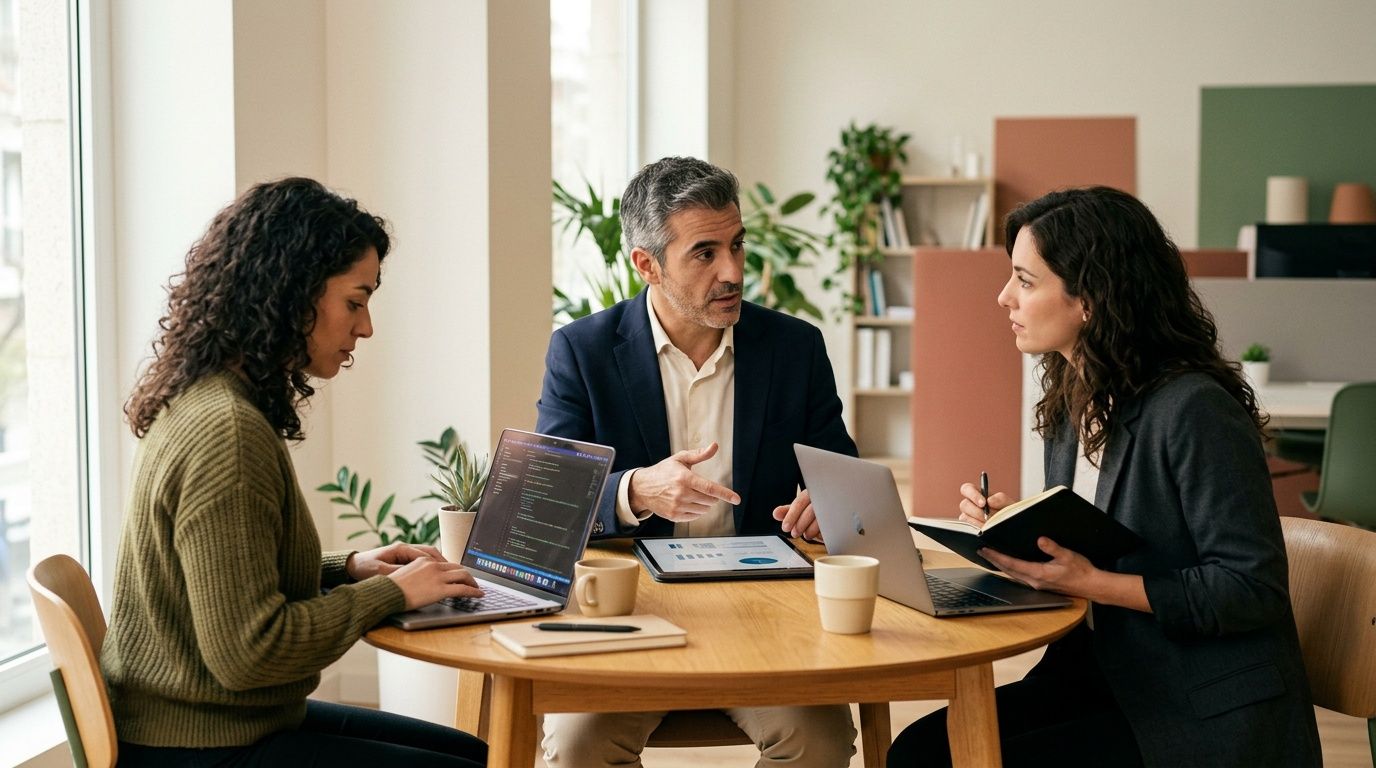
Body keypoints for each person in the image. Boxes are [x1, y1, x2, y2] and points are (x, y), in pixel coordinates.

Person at [886, 187, 1321, 767]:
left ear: (1090, 298)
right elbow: (1109, 539)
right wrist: (1021, 530)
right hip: (1106, 670)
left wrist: (1091, 582)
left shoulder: (1195, 410)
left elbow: (1251, 590)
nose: (1004, 296)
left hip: (1196, 702)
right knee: (918, 751)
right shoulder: (1074, 401)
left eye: (1025, 280)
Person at [102, 178, 489, 767]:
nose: (366, 327)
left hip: (211, 723)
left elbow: (227, 577)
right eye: (355, 302)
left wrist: (350, 569)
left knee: (477, 753)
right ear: (292, 292)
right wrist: (388, 593)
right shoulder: (228, 432)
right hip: (200, 747)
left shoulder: (209, 397)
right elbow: (249, 652)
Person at [536, 156, 858, 766]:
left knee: (818, 741)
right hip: (631, 616)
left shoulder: (795, 348)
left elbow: (841, 474)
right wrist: (635, 491)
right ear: (647, 264)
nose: (732, 271)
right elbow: (551, 498)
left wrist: (827, 503)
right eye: (704, 253)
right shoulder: (580, 351)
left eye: (737, 245)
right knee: (578, 745)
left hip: (766, 614)